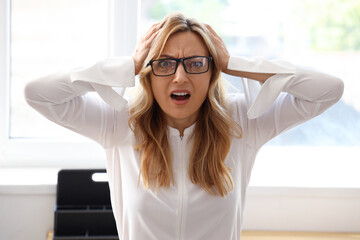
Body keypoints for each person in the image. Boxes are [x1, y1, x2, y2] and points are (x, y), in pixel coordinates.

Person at [24, 12, 343, 240]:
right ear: (148, 72)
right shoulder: (120, 123)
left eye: (195, 63)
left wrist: (236, 64)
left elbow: (328, 90)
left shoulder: (244, 122)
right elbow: (38, 94)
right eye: (164, 63)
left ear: (212, 71)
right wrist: (127, 66)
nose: (180, 77)